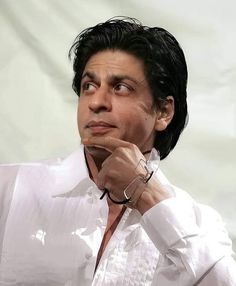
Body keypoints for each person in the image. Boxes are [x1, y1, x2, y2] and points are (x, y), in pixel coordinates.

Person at [0, 17, 235, 286]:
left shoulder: (200, 225)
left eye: (120, 88)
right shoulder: (9, 190)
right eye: (89, 86)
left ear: (163, 112)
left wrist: (146, 194)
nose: (97, 102)